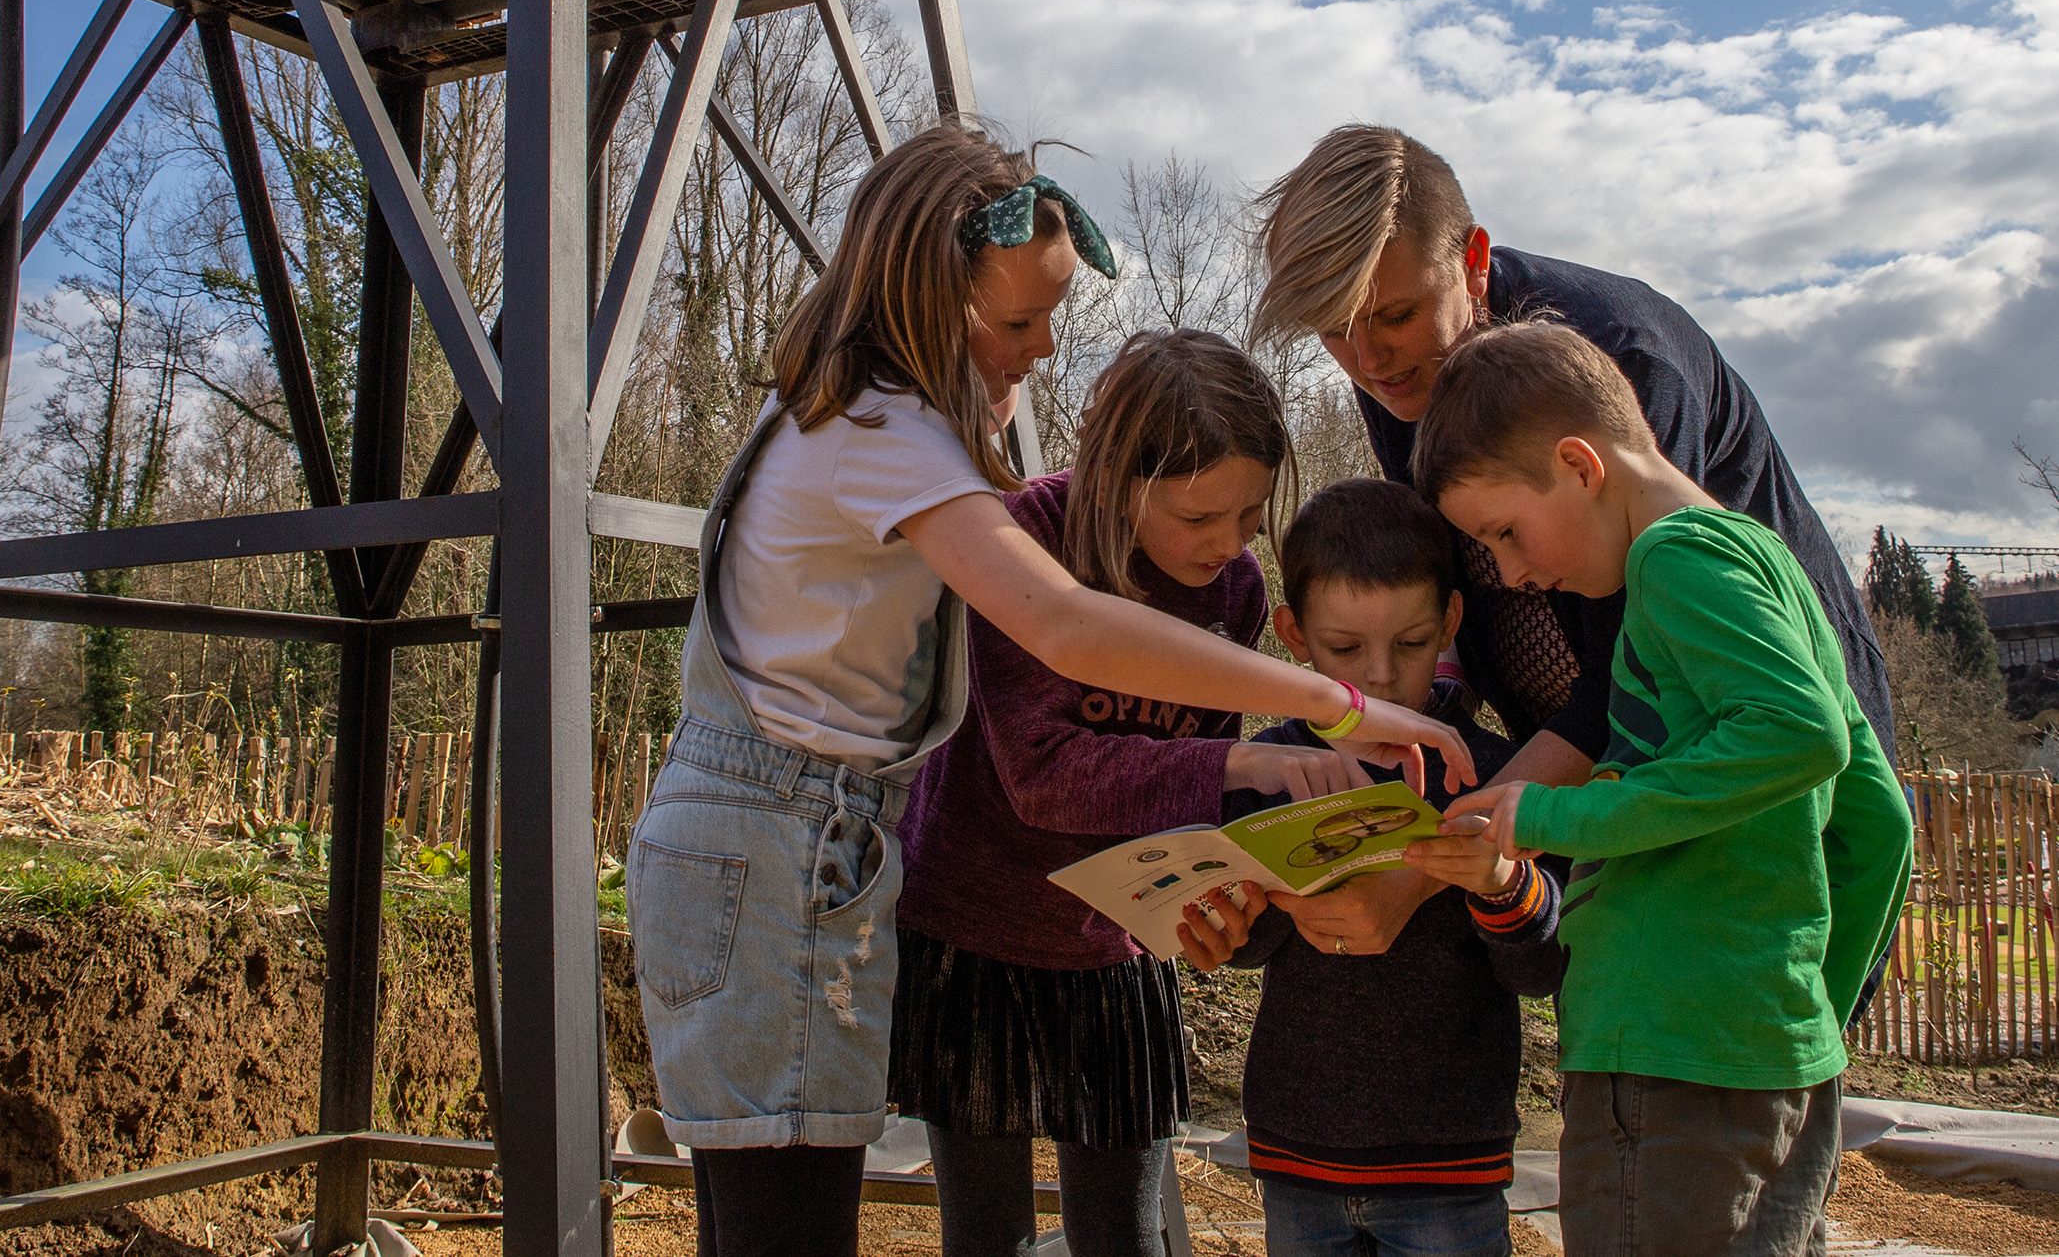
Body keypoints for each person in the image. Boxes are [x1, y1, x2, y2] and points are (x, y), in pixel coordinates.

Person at [626, 122, 1476, 1257]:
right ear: (928, 291)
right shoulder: (888, 430)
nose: (1034, 350)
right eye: (1016, 322)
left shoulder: (864, 411)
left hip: (796, 841)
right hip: (780, 846)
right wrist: (1336, 707)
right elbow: (1065, 626)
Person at [1248, 124, 1894, 955]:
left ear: (1473, 259)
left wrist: (1415, 874)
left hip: (1746, 771)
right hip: (1603, 785)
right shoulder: (1400, 377)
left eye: (1395, 315)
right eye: (1335, 330)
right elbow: (1461, 601)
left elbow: (1631, 679)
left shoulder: (1616, 362)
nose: (1367, 361)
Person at [1416, 322, 1912, 1257]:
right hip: (1772, 1060)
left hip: (1661, 1055)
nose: (1514, 573)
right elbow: (1880, 821)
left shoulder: (1671, 561)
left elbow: (1793, 731)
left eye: (1504, 533)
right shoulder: (1770, 566)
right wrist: (1805, 1019)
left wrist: (1553, 814)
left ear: (1578, 463)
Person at [891, 328, 1350, 1257]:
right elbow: (1042, 774)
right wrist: (1238, 765)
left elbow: (1181, 805)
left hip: (1115, 946)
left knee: (1127, 1234)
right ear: (1112, 479)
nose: (1226, 546)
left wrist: (1217, 894)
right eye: (1196, 519)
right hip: (974, 931)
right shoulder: (1027, 538)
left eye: (1249, 517)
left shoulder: (1234, 591)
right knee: (988, 1235)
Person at [1189, 478, 1564, 1257]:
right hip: (1295, 1153)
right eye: (1345, 649)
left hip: (1449, 1166)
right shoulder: (1271, 771)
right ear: (1294, 635)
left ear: (1450, 622)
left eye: (1411, 642)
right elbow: (1248, 949)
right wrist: (1235, 919)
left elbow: (1539, 969)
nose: (1382, 677)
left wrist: (1499, 881)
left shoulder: (1499, 772)